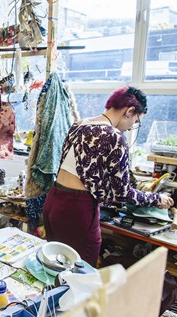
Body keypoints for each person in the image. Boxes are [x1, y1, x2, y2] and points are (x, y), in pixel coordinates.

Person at [42, 86, 174, 267]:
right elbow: (123, 194)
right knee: (82, 272)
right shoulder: (113, 136)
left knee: (55, 266)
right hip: (77, 209)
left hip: (54, 201)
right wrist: (156, 198)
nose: (130, 128)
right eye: (136, 121)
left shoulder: (80, 124)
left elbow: (85, 171)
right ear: (129, 112)